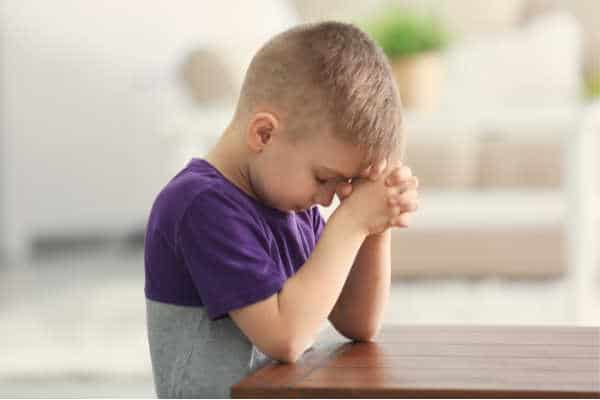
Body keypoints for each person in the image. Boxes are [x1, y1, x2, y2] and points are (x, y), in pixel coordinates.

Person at [144, 21, 419, 398]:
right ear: (264, 134)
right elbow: (285, 336)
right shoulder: (200, 205)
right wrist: (352, 222)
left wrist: (374, 224)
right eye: (324, 178)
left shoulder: (291, 203)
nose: (328, 199)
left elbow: (358, 323)